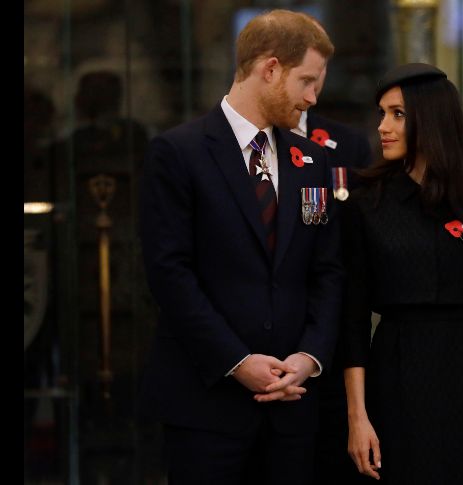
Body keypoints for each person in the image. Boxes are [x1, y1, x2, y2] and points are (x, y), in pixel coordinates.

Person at [138, 9, 344, 484]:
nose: (313, 98)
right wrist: (237, 361)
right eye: (306, 81)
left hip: (292, 407)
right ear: (270, 69)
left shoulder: (312, 161)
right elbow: (169, 274)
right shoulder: (179, 153)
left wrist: (309, 356)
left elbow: (327, 268)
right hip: (205, 405)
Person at [341, 63, 463, 484]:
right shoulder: (366, 205)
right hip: (397, 373)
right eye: (382, 113)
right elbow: (353, 322)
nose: (382, 126)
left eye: (397, 114)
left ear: (430, 119)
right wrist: (357, 417)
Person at [290, 69, 375, 484]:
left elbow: (329, 238)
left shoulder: (333, 148)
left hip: (329, 331)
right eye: (304, 79)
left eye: (319, 78)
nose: (312, 93)